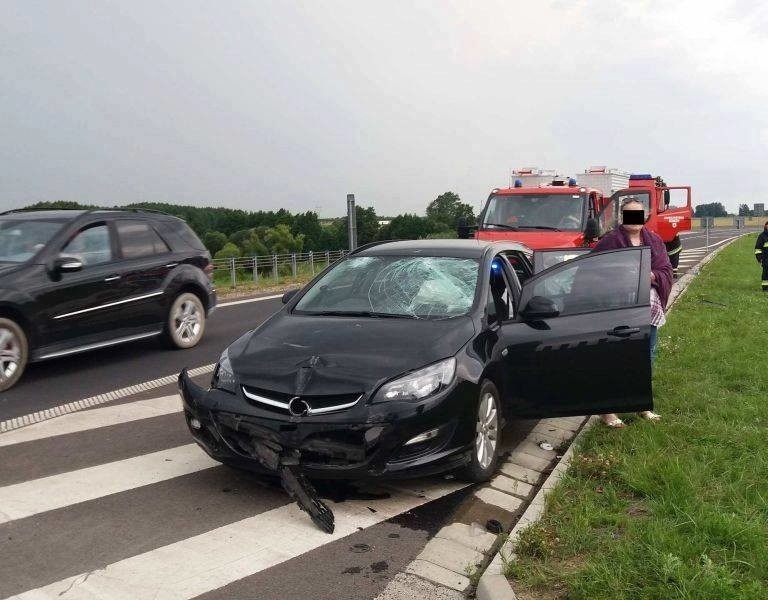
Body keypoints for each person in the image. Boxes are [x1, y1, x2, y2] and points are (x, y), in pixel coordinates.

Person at [591, 198, 673, 428]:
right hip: (618, 312)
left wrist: (653, 276)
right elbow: (594, 271)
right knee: (615, 359)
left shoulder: (654, 241)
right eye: (629, 214)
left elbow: (665, 269)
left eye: (638, 214)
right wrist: (624, 275)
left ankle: (640, 404)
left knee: (645, 359)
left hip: (649, 311)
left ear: (644, 216)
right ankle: (609, 411)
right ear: (621, 216)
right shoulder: (610, 242)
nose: (634, 219)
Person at [755, 221, 768, 292]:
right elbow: (757, 249)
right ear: (765, 226)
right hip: (766, 259)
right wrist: (759, 258)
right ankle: (765, 289)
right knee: (766, 274)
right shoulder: (762, 236)